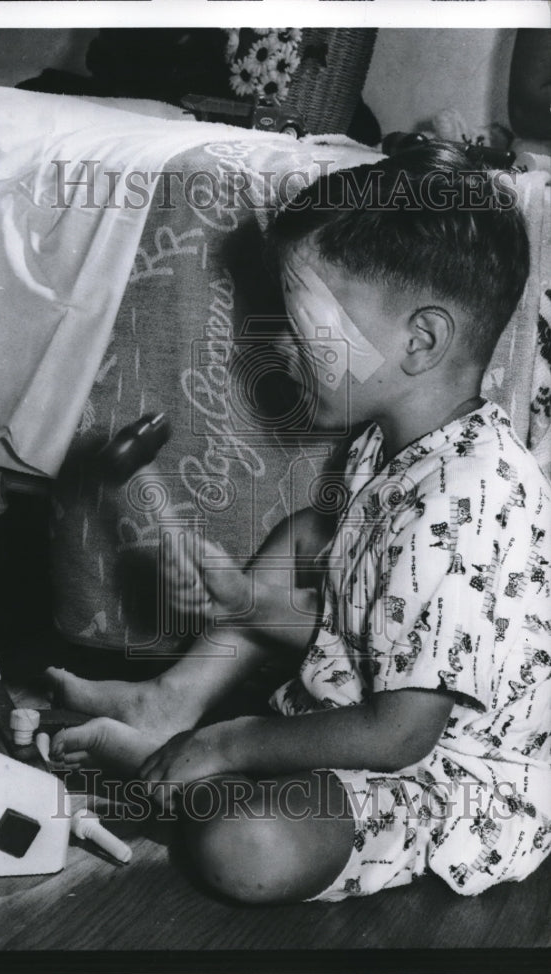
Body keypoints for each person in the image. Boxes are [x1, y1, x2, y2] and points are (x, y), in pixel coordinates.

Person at [45, 143, 551, 904]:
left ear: (420, 340)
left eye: (300, 323)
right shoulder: (387, 443)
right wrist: (245, 603)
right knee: (306, 533)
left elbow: (401, 734)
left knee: (246, 845)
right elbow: (367, 625)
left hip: (448, 773)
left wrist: (231, 740)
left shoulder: (470, 497)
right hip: (360, 716)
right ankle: (170, 712)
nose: (278, 345)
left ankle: (189, 757)